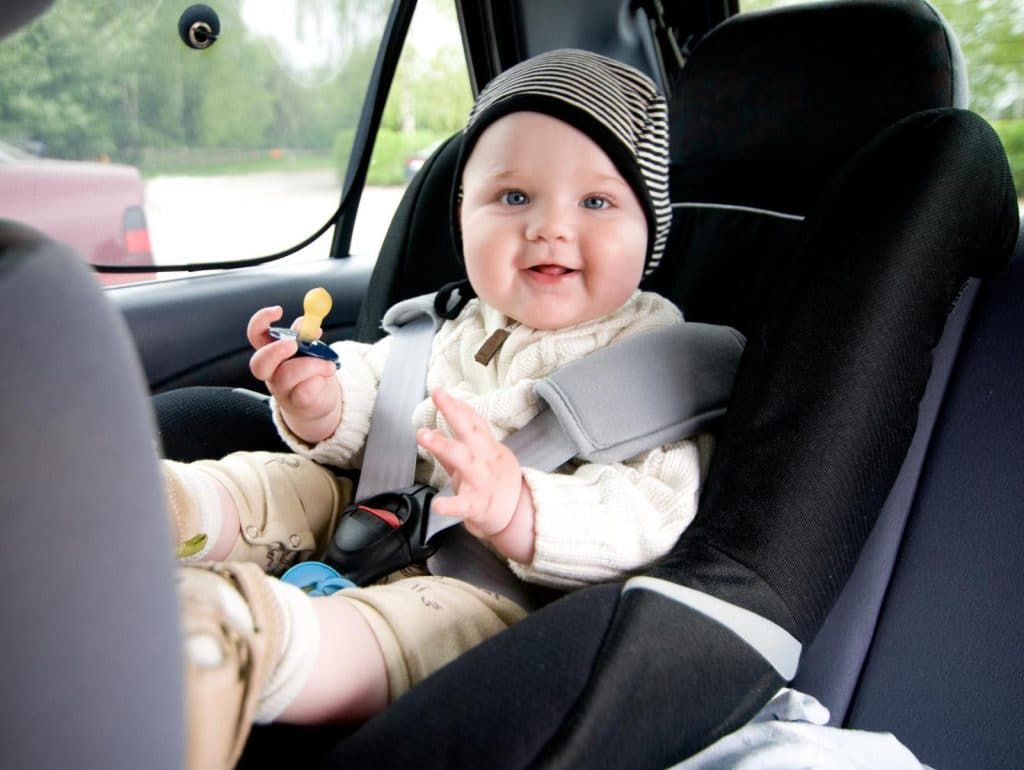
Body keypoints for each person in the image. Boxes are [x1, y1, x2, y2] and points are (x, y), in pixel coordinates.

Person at [170, 48, 713, 769]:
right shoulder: (460, 318)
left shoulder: (652, 360)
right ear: (463, 216)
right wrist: (321, 403)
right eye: (514, 198)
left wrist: (518, 508)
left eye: (597, 202)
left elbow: (653, 515)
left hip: (502, 592)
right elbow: (386, 385)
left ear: (649, 229)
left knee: (413, 629)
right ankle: (152, 513)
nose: (550, 227)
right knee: (284, 479)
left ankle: (236, 646)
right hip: (387, 510)